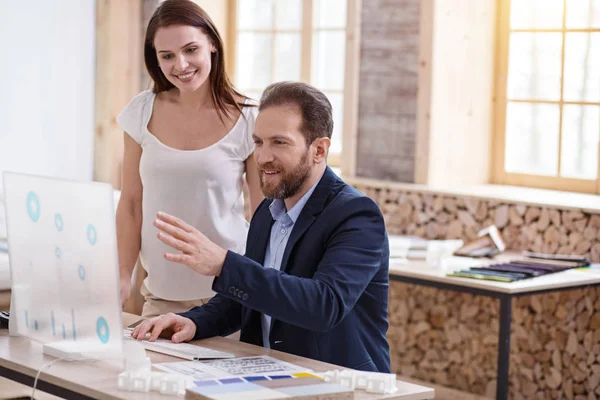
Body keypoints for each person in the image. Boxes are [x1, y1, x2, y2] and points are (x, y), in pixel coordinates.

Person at [132, 82, 391, 372]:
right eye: (258, 142)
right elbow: (248, 298)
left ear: (319, 149)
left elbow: (323, 306)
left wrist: (224, 264)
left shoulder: (356, 215)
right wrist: (194, 321)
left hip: (339, 384)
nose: (263, 157)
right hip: (271, 375)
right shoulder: (268, 210)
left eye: (279, 142)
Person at [116, 0, 262, 318]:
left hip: (231, 302)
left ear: (212, 44)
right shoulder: (141, 112)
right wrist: (122, 276)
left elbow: (264, 214)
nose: (180, 65)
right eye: (166, 56)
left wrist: (265, 289)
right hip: (161, 299)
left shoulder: (250, 118)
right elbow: (130, 204)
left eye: (190, 49)